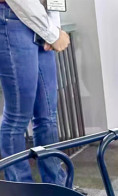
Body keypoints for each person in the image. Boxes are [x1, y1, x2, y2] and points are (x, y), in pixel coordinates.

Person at [0, 0, 70, 184]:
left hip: (40, 18)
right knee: (17, 117)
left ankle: (56, 187)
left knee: (47, 116)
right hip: (11, 15)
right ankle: (21, 192)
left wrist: (53, 28)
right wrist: (52, 32)